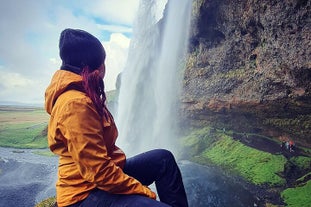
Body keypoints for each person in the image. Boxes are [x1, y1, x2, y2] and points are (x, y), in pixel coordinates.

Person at [44, 28, 188, 207]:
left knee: (163, 159)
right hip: (83, 194)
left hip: (100, 178)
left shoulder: (83, 92)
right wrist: (143, 191)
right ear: (95, 67)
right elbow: (99, 172)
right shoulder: (75, 104)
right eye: (103, 62)